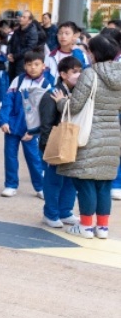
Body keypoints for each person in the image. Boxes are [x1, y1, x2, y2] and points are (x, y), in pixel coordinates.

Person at [56, 35, 121, 239]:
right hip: (112, 135)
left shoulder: (90, 74)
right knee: (104, 184)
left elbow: (75, 106)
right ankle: (102, 228)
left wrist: (60, 102)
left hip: (89, 134)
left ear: (94, 53)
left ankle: (85, 226)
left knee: (86, 182)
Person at [0, 49, 51, 199]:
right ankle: (11, 185)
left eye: (36, 64)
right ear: (24, 66)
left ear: (43, 66)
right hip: (13, 126)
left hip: (31, 129)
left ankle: (40, 187)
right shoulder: (18, 80)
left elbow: (45, 111)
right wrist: (4, 120)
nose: (33, 67)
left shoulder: (46, 85)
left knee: (34, 159)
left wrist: (35, 131)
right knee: (10, 156)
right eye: (29, 64)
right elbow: (7, 101)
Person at [39, 56, 82, 229]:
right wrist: (46, 146)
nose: (78, 75)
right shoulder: (52, 94)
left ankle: (65, 211)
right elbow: (46, 123)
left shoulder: (78, 92)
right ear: (63, 74)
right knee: (54, 180)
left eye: (80, 71)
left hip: (73, 142)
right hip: (56, 143)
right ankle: (50, 213)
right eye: (74, 71)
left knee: (70, 179)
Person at [8, 11, 41, 82]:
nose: (21, 18)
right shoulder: (17, 31)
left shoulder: (32, 32)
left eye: (24, 17)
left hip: (22, 62)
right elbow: (10, 43)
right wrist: (9, 53)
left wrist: (14, 56)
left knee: (19, 81)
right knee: (11, 82)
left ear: (29, 21)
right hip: (12, 61)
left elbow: (29, 48)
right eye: (21, 16)